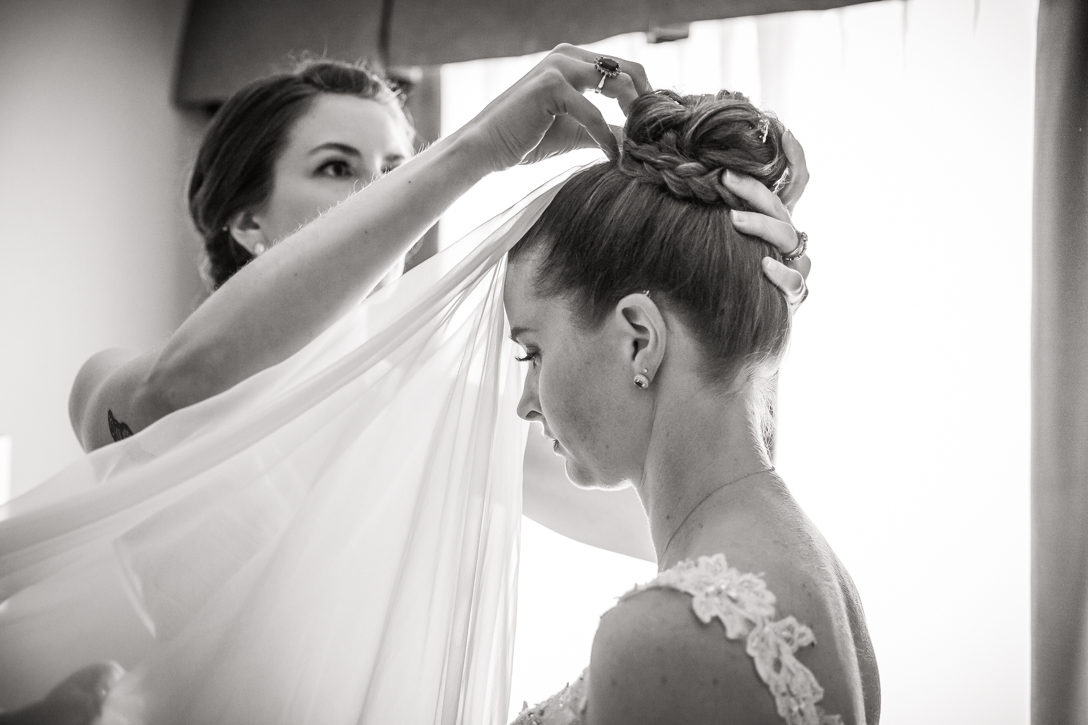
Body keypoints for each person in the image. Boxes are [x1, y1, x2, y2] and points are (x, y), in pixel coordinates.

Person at [0, 47, 812, 724]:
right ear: (246, 222)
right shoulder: (118, 384)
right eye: (337, 167)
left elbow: (689, 496)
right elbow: (175, 394)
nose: (384, 194)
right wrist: (477, 149)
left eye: (396, 167)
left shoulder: (445, 409)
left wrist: (744, 290)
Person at [503, 88, 877, 724]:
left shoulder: (667, 633)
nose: (524, 404)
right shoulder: (822, 576)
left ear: (639, 340)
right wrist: (737, 276)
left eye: (532, 353)